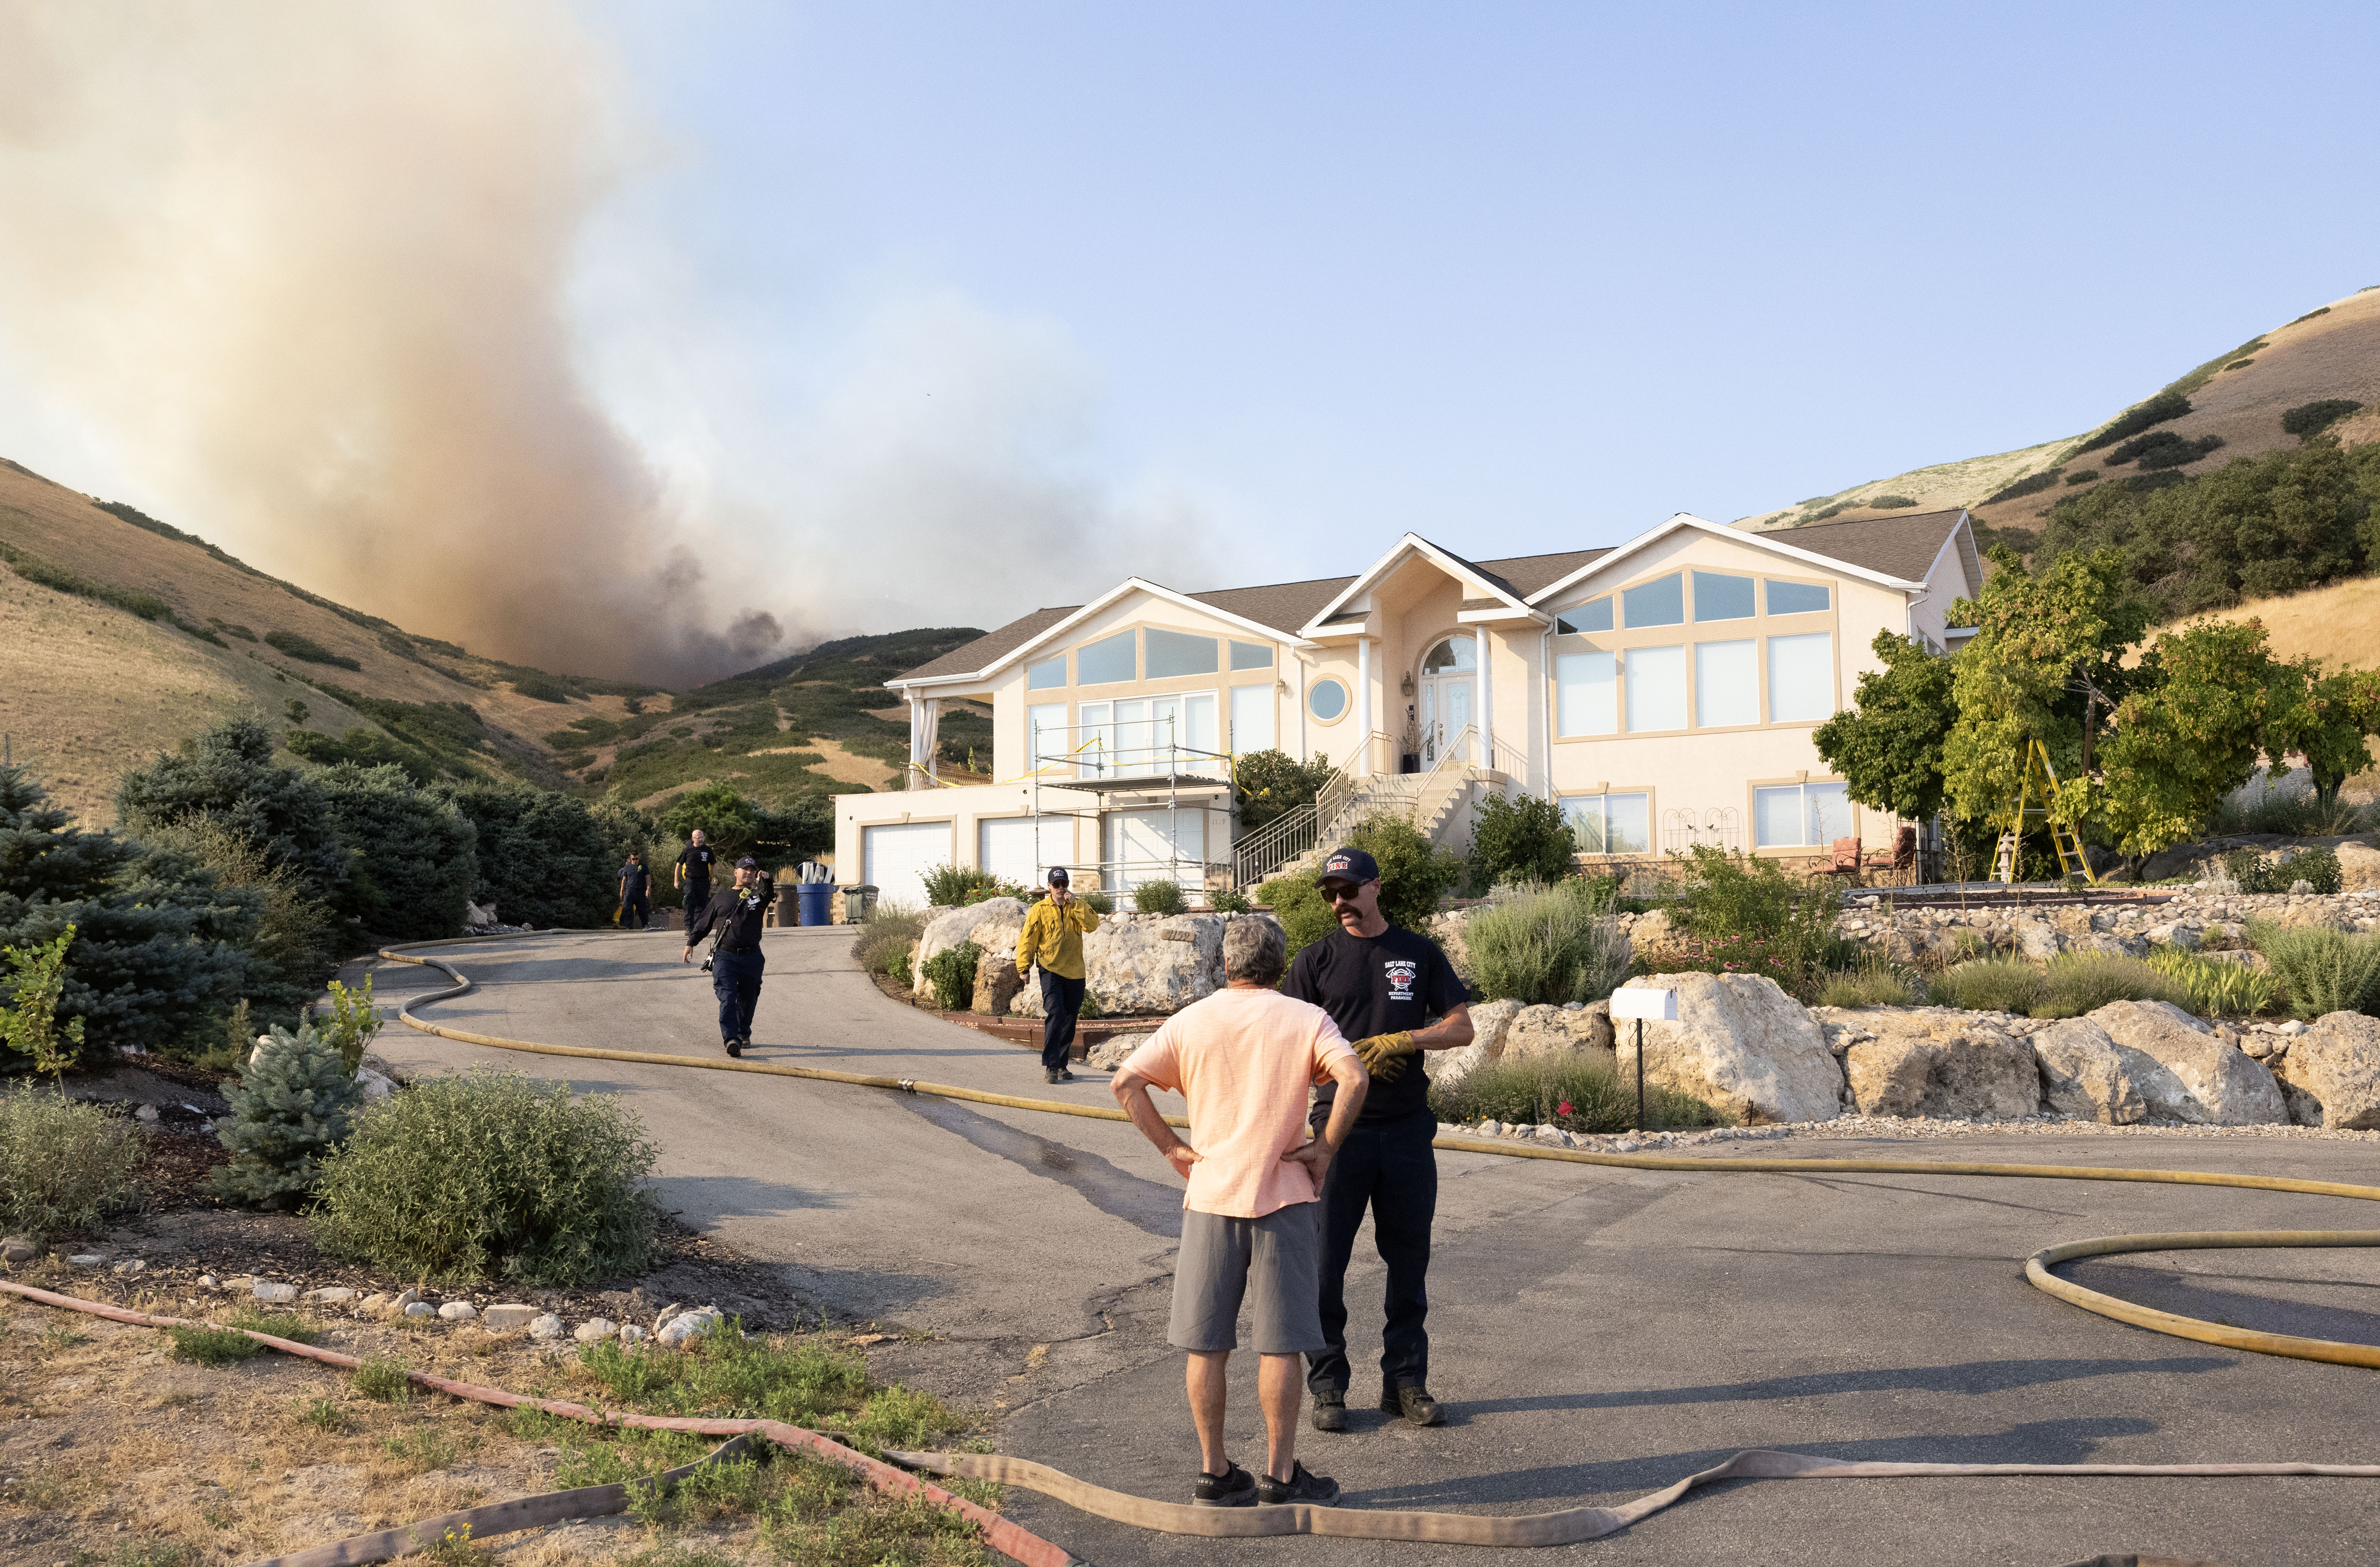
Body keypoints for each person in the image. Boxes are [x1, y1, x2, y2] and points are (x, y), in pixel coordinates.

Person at [1112, 916, 1368, 1508]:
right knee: (1279, 1343)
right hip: (1283, 1193)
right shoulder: (1306, 1017)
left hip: (1210, 1194)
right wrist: (1324, 1145)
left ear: (1225, 964)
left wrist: (1173, 1148)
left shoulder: (1194, 1020)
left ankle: (1215, 1472)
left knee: (1206, 1344)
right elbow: (1353, 1076)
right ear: (1280, 967)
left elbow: (1126, 1082)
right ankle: (1280, 1475)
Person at [1286, 845, 1473, 1434]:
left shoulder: (1416, 954)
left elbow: (1461, 1026)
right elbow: (1286, 1048)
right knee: (1324, 1266)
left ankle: (1405, 1381)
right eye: (1330, 893)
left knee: (1408, 1260)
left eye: (1348, 889)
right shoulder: (1314, 961)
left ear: (1375, 887)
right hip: (1337, 1135)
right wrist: (1333, 1068)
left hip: (1406, 1131)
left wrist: (1407, 1042)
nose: (1339, 901)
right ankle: (1328, 1385)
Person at [1013, 866, 1101, 1085]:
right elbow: (1028, 939)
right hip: (1050, 968)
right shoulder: (1039, 909)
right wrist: (1024, 967)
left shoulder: (1076, 906)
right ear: (1049, 887)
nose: (1061, 889)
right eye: (1057, 885)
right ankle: (1051, 1066)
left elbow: (1093, 925)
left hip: (1075, 971)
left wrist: (1077, 903)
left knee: (1070, 1018)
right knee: (1056, 1013)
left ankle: (1062, 1065)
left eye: (1064, 884)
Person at [683, 856, 774, 1057]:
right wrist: (691, 943)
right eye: (744, 869)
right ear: (736, 873)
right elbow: (704, 922)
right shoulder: (721, 898)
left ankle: (743, 1033)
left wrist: (767, 880)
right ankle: (731, 1039)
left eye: (752, 869)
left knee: (749, 997)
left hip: (752, 956)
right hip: (726, 955)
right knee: (728, 996)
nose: (748, 872)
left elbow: (769, 894)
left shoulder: (757, 897)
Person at [675, 830, 718, 929]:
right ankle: (689, 928)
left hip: (704, 881)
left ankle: (699, 927)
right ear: (693, 839)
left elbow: (714, 864)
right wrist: (676, 880)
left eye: (702, 837)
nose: (701, 840)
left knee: (703, 905)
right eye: (699, 838)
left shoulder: (707, 850)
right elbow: (679, 865)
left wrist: (715, 876)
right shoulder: (687, 850)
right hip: (691, 881)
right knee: (689, 903)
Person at [617, 850, 652, 931]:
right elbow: (624, 880)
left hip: (640, 891)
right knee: (628, 909)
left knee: (642, 910)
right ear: (631, 858)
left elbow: (648, 879)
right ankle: (628, 927)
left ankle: (646, 926)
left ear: (639, 858)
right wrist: (622, 892)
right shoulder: (627, 867)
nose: (635, 861)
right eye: (633, 859)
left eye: (637, 859)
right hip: (630, 891)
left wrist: (648, 889)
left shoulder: (644, 866)